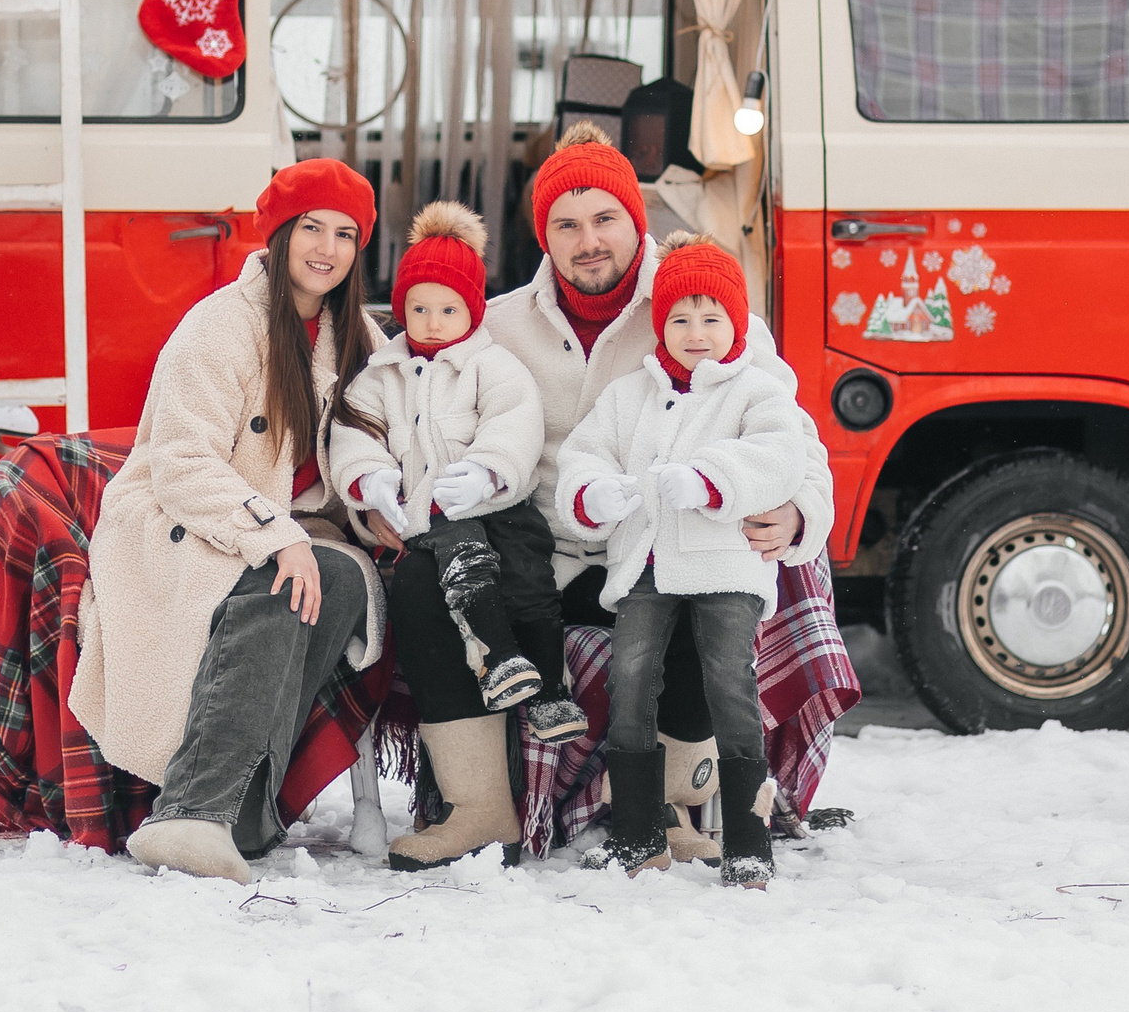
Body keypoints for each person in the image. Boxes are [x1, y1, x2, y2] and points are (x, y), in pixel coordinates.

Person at [386, 121, 833, 868]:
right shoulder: (493, 326)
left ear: (636, 219)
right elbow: (429, 419)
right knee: (425, 573)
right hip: (548, 554)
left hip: (663, 539)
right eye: (566, 223)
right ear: (545, 235)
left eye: (605, 219)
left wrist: (797, 512)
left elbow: (795, 441)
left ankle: (679, 801)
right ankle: (478, 806)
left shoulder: (710, 309)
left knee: (710, 571)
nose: (588, 240)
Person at [70, 158, 390, 883]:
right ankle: (191, 809)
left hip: (283, 533)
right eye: (311, 226)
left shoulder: (359, 337)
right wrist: (276, 534)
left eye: (346, 233)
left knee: (340, 579)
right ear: (279, 233)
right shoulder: (220, 323)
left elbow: (373, 453)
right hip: (177, 524)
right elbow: (182, 465)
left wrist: (384, 515)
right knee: (291, 575)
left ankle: (245, 805)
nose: (327, 248)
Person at [557, 235, 809, 888]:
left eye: (711, 317)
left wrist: (709, 479)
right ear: (660, 323)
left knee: (731, 682)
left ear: (736, 321)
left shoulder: (755, 390)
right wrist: (594, 490)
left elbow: (781, 455)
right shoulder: (629, 393)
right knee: (631, 677)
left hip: (726, 564)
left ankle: (749, 842)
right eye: (680, 318)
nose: (696, 332)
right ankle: (638, 834)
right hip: (645, 563)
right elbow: (585, 451)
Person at [331, 204, 587, 791]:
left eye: (449, 309)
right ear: (400, 311)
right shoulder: (381, 374)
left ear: (472, 309)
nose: (433, 322)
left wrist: (487, 470)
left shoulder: (492, 367)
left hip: (501, 509)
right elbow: (355, 430)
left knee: (530, 583)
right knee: (462, 570)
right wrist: (369, 478)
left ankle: (548, 687)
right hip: (432, 516)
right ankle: (497, 657)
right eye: (418, 309)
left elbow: (515, 424)